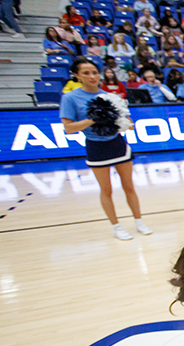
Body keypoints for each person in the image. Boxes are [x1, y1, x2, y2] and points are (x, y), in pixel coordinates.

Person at [59, 58, 152, 241]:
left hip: (117, 143)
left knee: (129, 186)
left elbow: (129, 122)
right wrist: (93, 119)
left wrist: (124, 122)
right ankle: (116, 227)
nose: (92, 76)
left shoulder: (110, 96)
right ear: (77, 75)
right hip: (96, 147)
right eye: (86, 73)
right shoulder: (70, 98)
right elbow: (68, 128)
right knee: (106, 189)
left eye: (94, 72)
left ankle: (139, 221)